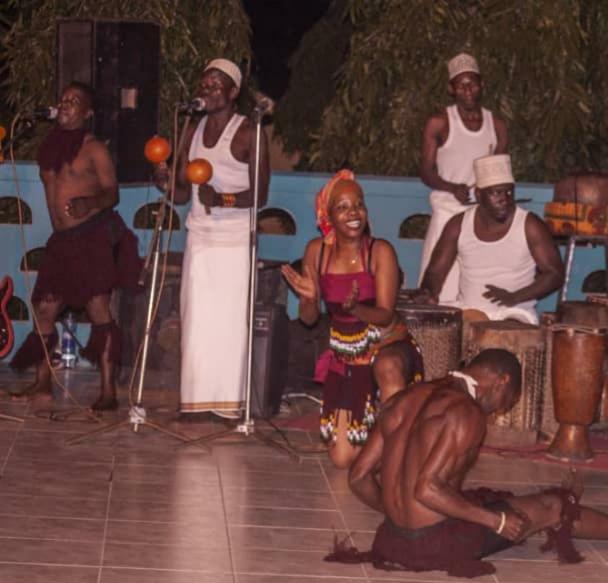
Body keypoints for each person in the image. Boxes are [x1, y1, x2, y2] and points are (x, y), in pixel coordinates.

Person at [332, 348, 608, 577]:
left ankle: (532, 507)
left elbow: (359, 477)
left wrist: (397, 512)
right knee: (550, 506)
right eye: (507, 400)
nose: (500, 409)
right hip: (432, 546)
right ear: (500, 382)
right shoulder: (466, 412)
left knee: (484, 495)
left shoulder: (405, 398)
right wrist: (494, 520)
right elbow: (427, 488)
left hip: (390, 540)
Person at [8, 81, 140, 411]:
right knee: (45, 309)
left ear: (88, 112)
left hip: (92, 235)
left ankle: (108, 390)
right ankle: (42, 384)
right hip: (62, 241)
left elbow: (113, 193)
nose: (65, 104)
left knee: (98, 309)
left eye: (74, 101)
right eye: (63, 99)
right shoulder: (49, 146)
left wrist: (89, 204)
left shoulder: (94, 148)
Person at [281, 171, 423, 468]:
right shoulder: (316, 252)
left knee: (387, 366)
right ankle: (381, 434)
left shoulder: (380, 251)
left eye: (358, 205)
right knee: (344, 459)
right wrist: (308, 299)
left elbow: (385, 315)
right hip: (346, 356)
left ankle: (398, 451)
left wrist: (356, 308)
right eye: (343, 207)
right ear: (328, 215)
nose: (354, 213)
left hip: (387, 345)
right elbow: (308, 320)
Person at [154, 58, 270, 419]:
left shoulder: (250, 131)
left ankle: (227, 407)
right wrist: (165, 181)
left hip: (235, 240)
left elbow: (261, 196)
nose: (207, 89)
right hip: (200, 236)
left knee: (229, 322)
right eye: (204, 83)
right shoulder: (191, 128)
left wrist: (224, 199)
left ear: (233, 92)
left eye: (216, 84)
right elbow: (184, 194)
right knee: (196, 318)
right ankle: (194, 402)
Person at [420, 154, 563, 324]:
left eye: (510, 191)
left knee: (502, 338)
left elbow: (555, 274)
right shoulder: (458, 225)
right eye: (497, 193)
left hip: (515, 313)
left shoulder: (529, 225)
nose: (505, 199)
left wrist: (514, 297)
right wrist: (428, 293)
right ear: (479, 195)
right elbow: (435, 272)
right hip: (469, 311)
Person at [417, 52, 509, 302]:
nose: (468, 90)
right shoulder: (439, 123)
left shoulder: (496, 125)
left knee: (476, 290)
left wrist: (487, 193)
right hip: (447, 212)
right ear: (451, 89)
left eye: (473, 83)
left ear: (482, 85)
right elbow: (425, 171)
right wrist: (451, 187)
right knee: (439, 287)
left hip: (479, 218)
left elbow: (499, 175)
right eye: (461, 84)